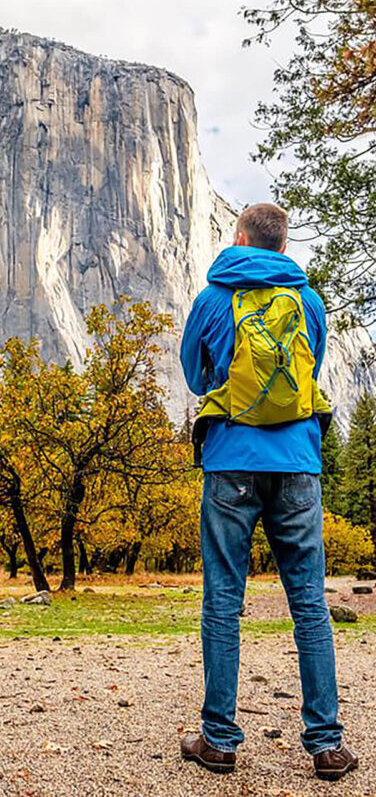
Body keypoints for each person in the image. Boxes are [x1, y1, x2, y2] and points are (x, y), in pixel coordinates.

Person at [178, 203, 358, 781]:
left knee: (224, 600)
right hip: (299, 464)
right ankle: (326, 745)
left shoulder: (212, 300)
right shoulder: (307, 300)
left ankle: (219, 739)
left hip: (231, 461)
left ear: (240, 238)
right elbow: (312, 369)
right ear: (282, 246)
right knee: (309, 604)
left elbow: (193, 371)